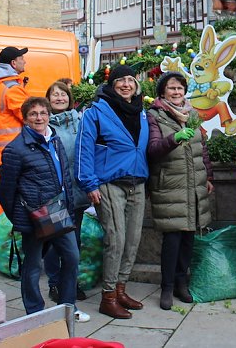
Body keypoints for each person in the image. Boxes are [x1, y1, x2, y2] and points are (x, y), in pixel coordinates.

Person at [0, 97, 90, 321]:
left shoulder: (55, 140)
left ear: (49, 115)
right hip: (34, 216)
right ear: (26, 118)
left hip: (57, 212)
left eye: (43, 113)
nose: (39, 118)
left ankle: (68, 306)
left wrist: (67, 205)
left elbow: (65, 177)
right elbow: (5, 191)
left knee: (72, 257)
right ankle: (34, 312)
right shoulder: (15, 149)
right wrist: (19, 217)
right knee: (33, 265)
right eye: (33, 114)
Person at [76, 65, 149, 319]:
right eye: (121, 80)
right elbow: (84, 148)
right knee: (115, 239)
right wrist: (89, 183)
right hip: (109, 183)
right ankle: (107, 297)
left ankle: (120, 289)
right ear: (112, 84)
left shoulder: (141, 111)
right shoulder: (95, 112)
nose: (126, 84)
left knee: (132, 240)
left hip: (137, 181)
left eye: (131, 80)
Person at [146, 71, 215, 310]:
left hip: (194, 184)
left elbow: (201, 148)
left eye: (180, 89)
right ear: (163, 92)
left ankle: (180, 283)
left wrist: (208, 175)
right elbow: (153, 149)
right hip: (170, 184)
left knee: (188, 237)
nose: (176, 92)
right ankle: (166, 286)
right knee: (172, 238)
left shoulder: (192, 114)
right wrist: (174, 137)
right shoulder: (154, 115)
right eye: (172, 88)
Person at [44, 81, 90, 303]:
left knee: (75, 240)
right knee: (56, 241)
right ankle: (55, 283)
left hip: (77, 192)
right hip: (55, 196)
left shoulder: (79, 121)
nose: (59, 98)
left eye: (63, 94)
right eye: (54, 95)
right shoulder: (44, 125)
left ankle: (72, 281)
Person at [0, 46, 29, 182]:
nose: (25, 61)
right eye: (21, 58)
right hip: (12, 153)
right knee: (12, 199)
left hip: (2, 153)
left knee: (7, 197)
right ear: (13, 63)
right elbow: (30, 118)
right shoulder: (12, 89)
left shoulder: (1, 86)